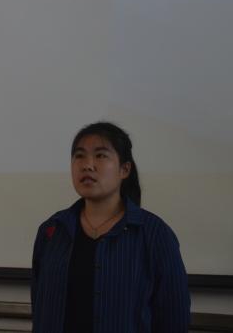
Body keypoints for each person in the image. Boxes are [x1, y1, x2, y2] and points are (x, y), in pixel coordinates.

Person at [31, 121, 190, 333]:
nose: (87, 165)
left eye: (100, 155)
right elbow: (40, 310)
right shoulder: (53, 231)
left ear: (124, 169)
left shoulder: (154, 234)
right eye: (79, 156)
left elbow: (174, 320)